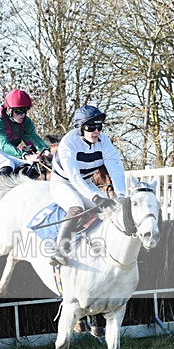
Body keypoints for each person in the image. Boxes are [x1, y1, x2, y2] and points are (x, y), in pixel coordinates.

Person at [49, 105, 127, 266]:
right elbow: (74, 176)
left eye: (99, 127)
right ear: (79, 128)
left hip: (86, 182)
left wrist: (121, 196)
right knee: (76, 206)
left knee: (111, 209)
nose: (96, 131)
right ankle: (59, 250)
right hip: (63, 182)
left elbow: (116, 170)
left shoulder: (104, 141)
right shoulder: (68, 143)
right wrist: (95, 197)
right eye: (91, 127)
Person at [0, 89, 52, 177]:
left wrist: (46, 151)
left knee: (30, 167)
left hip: (6, 152)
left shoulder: (26, 122)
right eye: (18, 111)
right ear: (8, 109)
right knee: (7, 166)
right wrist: (25, 155)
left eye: (25, 111)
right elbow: (3, 144)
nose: (22, 115)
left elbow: (33, 138)